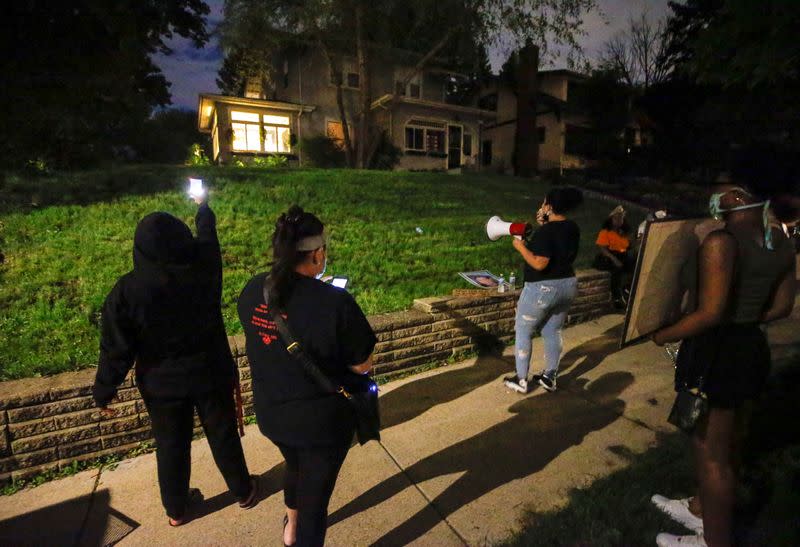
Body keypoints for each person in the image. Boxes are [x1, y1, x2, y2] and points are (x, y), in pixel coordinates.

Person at [651, 157, 797, 546]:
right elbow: (782, 307)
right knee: (731, 445)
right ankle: (701, 510)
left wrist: (663, 334)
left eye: (718, 187)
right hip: (751, 347)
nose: (712, 194)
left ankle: (712, 540)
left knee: (712, 457)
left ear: (736, 195)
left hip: (718, 353)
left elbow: (709, 314)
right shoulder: (781, 241)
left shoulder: (721, 242)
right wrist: (747, 318)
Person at [92, 196, 257, 527]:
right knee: (222, 432)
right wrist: (204, 208)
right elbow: (208, 239)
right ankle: (243, 491)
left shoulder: (127, 290)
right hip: (211, 372)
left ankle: (176, 509)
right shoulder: (204, 269)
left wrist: (104, 389)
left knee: (170, 443)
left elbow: (116, 346)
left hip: (161, 383)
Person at [237, 205, 376, 547]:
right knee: (315, 497)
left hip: (271, 414)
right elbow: (363, 365)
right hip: (320, 423)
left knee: (295, 465)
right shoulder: (335, 302)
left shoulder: (254, 290)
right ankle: (301, 534)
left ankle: (290, 528)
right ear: (316, 255)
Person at [503, 187, 584, 394]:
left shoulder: (546, 232)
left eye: (544, 202)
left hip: (543, 288)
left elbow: (540, 263)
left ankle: (521, 379)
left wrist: (520, 247)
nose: (541, 206)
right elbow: (557, 240)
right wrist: (544, 225)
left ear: (549, 206)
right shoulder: (572, 227)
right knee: (552, 331)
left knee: (523, 330)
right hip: (567, 285)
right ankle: (549, 376)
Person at [593, 205, 635, 308]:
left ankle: (629, 289)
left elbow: (628, 246)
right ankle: (616, 298)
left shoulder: (623, 233)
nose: (619, 221)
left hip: (622, 256)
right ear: (611, 219)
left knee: (635, 264)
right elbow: (602, 249)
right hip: (609, 257)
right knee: (616, 269)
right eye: (616, 218)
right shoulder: (605, 232)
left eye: (621, 218)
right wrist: (614, 259)